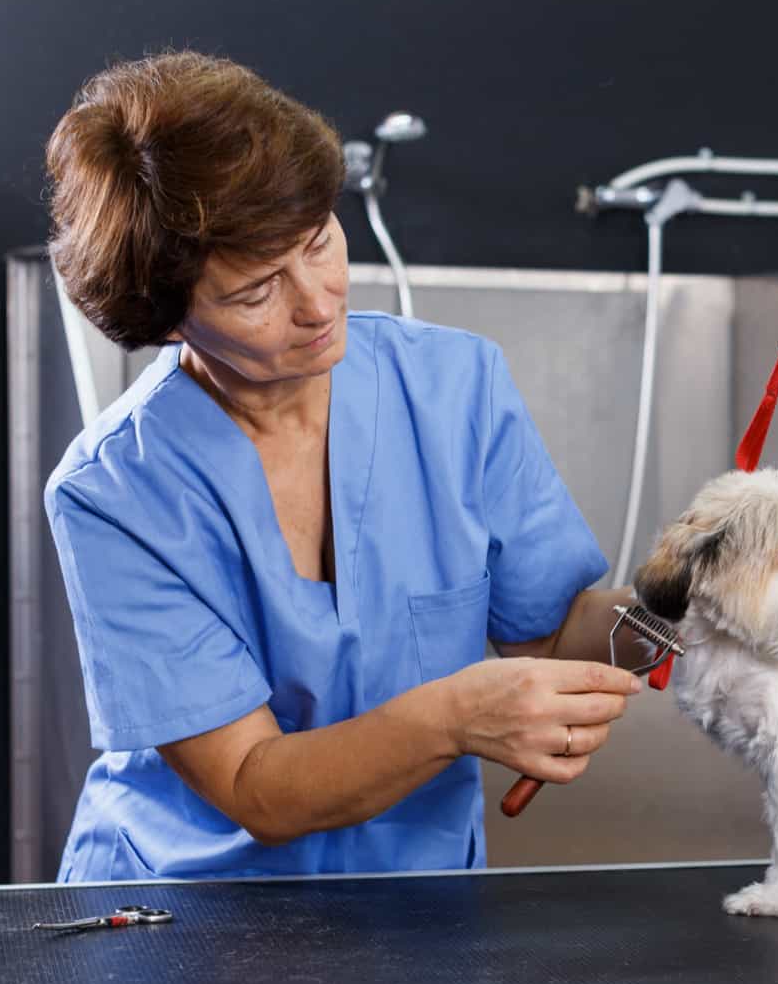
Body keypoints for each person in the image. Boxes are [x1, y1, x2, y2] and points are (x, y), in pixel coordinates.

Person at [42, 50, 641, 882]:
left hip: (418, 904)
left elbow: (547, 631)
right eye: (257, 292)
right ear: (169, 319)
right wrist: (454, 717)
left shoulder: (452, 388)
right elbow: (255, 786)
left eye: (319, 241)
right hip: (185, 923)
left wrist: (693, 599)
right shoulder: (115, 493)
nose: (320, 303)